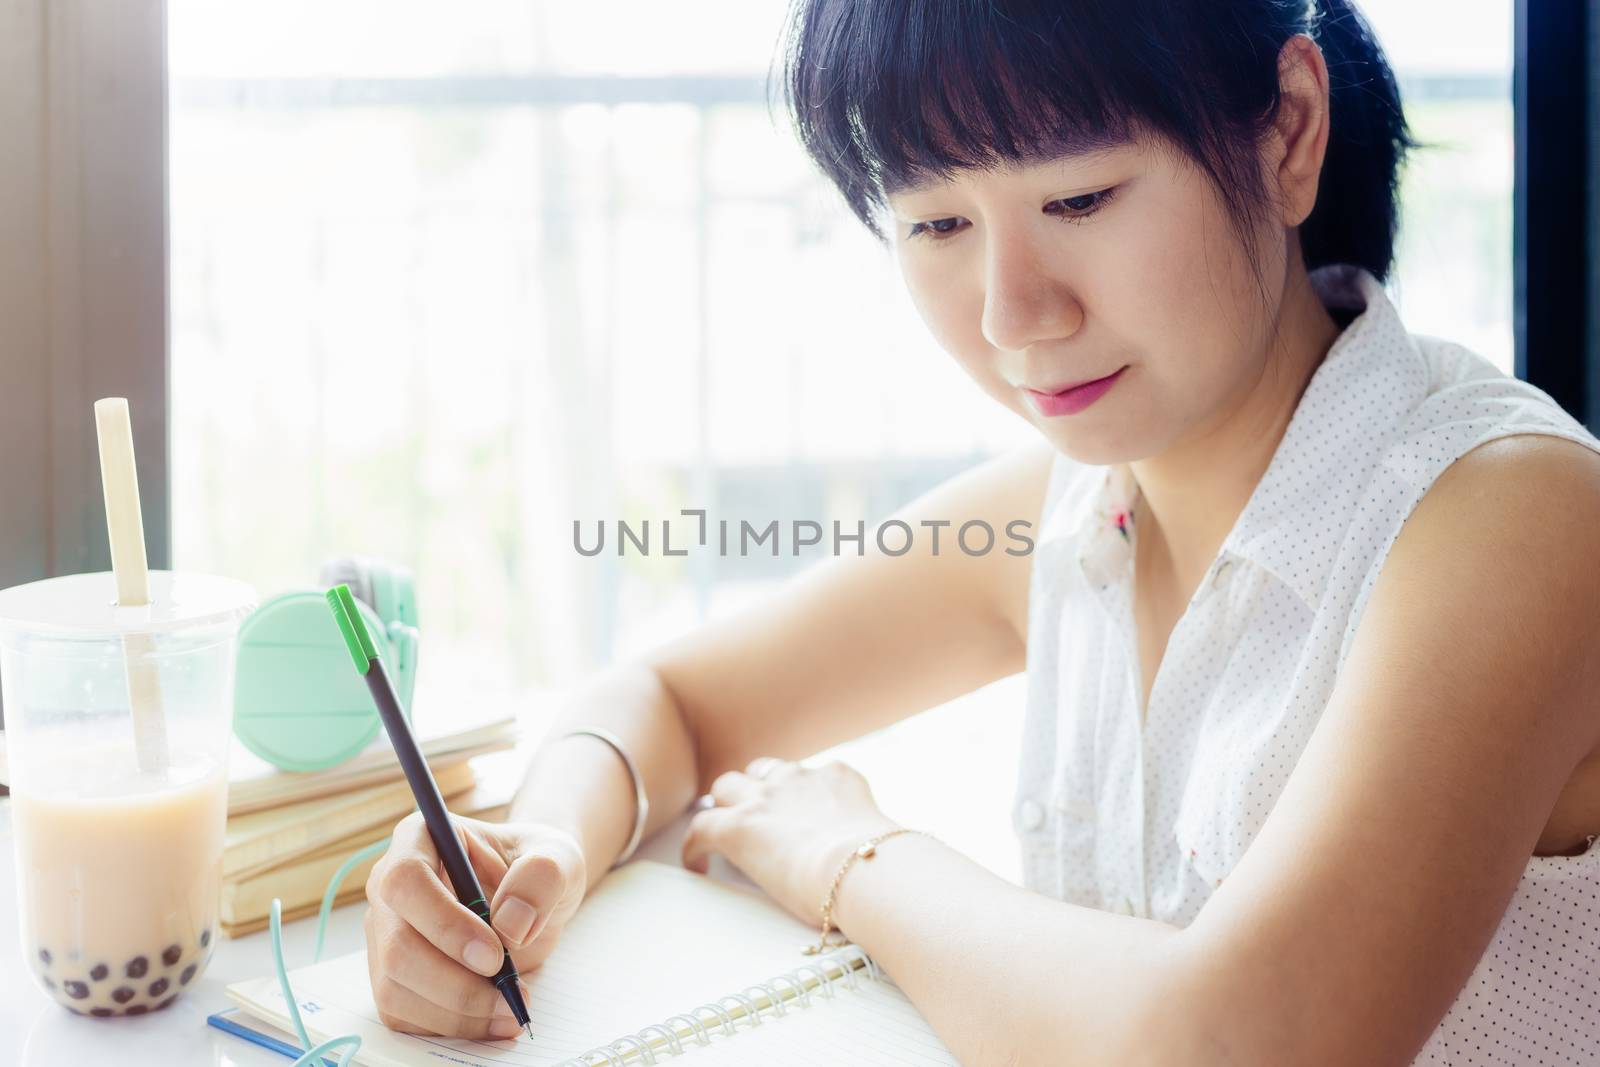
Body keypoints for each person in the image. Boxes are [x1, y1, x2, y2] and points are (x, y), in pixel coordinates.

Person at [360, 1, 1600, 1063]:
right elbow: (672, 700)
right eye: (936, 224)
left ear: (1287, 127)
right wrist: (539, 847)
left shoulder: (1509, 510)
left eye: (1078, 195)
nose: (1013, 314)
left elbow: (1238, 1039)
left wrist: (855, 856)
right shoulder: (1057, 508)